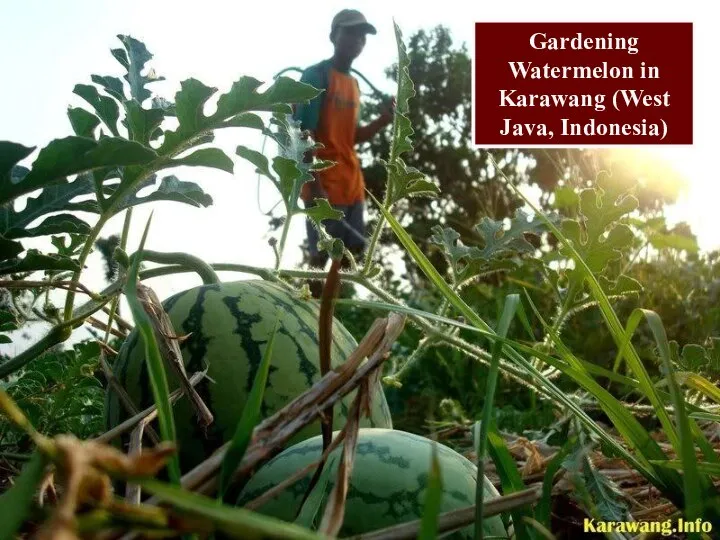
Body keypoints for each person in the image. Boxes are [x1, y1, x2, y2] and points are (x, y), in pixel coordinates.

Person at [293, 9, 395, 297]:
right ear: (333, 36)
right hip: (324, 185)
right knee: (321, 258)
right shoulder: (315, 76)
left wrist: (383, 121)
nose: (357, 39)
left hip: (352, 185)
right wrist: (315, 187)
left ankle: (333, 319)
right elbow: (305, 136)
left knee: (350, 258)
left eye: (362, 34)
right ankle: (309, 313)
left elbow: (351, 138)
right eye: (350, 31)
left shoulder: (353, 84)